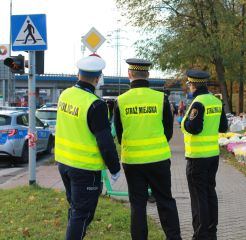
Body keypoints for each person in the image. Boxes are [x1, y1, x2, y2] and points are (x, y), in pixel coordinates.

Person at [113, 58, 181, 240]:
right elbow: (168, 130)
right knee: (165, 201)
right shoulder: (161, 99)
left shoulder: (121, 101)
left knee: (138, 206)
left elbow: (119, 135)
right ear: (148, 75)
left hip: (133, 162)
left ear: (129, 75)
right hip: (159, 160)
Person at [55, 54, 121, 240]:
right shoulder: (95, 104)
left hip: (64, 164)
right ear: (97, 78)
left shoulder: (65, 95)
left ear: (78, 74)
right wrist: (115, 168)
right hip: (85, 170)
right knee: (82, 214)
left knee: (76, 210)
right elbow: (105, 141)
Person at [181, 69, 228, 240]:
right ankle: (211, 232)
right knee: (210, 193)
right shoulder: (216, 101)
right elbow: (223, 127)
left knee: (198, 197)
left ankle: (201, 235)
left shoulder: (198, 103)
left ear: (193, 84)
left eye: (189, 84)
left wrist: (184, 122)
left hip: (197, 158)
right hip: (213, 156)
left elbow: (194, 128)